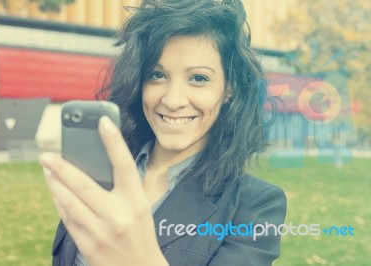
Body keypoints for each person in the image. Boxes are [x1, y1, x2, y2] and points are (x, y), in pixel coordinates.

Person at [39, 0, 287, 265]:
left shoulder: (255, 205)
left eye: (198, 78)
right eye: (157, 75)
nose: (172, 99)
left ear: (229, 89)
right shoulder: (100, 173)